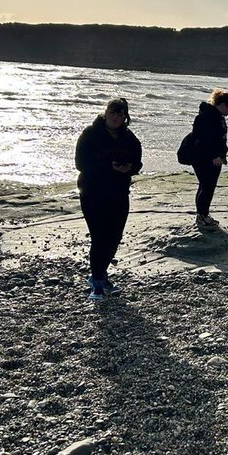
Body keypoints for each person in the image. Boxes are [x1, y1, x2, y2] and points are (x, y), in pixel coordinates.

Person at [75, 98, 143, 302]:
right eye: (113, 113)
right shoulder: (90, 134)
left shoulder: (130, 138)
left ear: (125, 117)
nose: (116, 117)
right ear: (105, 112)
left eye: (121, 114)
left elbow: (138, 162)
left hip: (119, 192)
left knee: (114, 237)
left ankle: (101, 276)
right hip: (92, 192)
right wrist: (109, 167)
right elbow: (80, 163)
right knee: (99, 237)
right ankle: (96, 282)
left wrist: (129, 168)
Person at [186, 88, 228, 229]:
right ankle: (201, 216)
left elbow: (219, 140)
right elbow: (204, 139)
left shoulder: (216, 116)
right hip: (204, 158)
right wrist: (215, 155)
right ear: (223, 105)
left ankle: (203, 215)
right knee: (207, 186)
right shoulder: (207, 116)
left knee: (206, 186)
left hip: (213, 158)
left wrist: (222, 155)